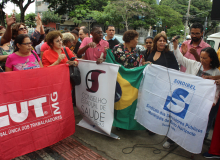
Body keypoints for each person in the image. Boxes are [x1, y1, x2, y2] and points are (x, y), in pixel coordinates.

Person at [162, 37, 220, 149]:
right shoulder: (195, 64)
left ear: (212, 59)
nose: (202, 60)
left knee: (193, 126)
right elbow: (180, 58)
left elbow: (216, 91)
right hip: (187, 101)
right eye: (201, 57)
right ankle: (172, 140)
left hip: (201, 106)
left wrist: (212, 102)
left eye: (205, 58)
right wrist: (175, 46)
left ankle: (190, 145)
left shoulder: (216, 72)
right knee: (178, 121)